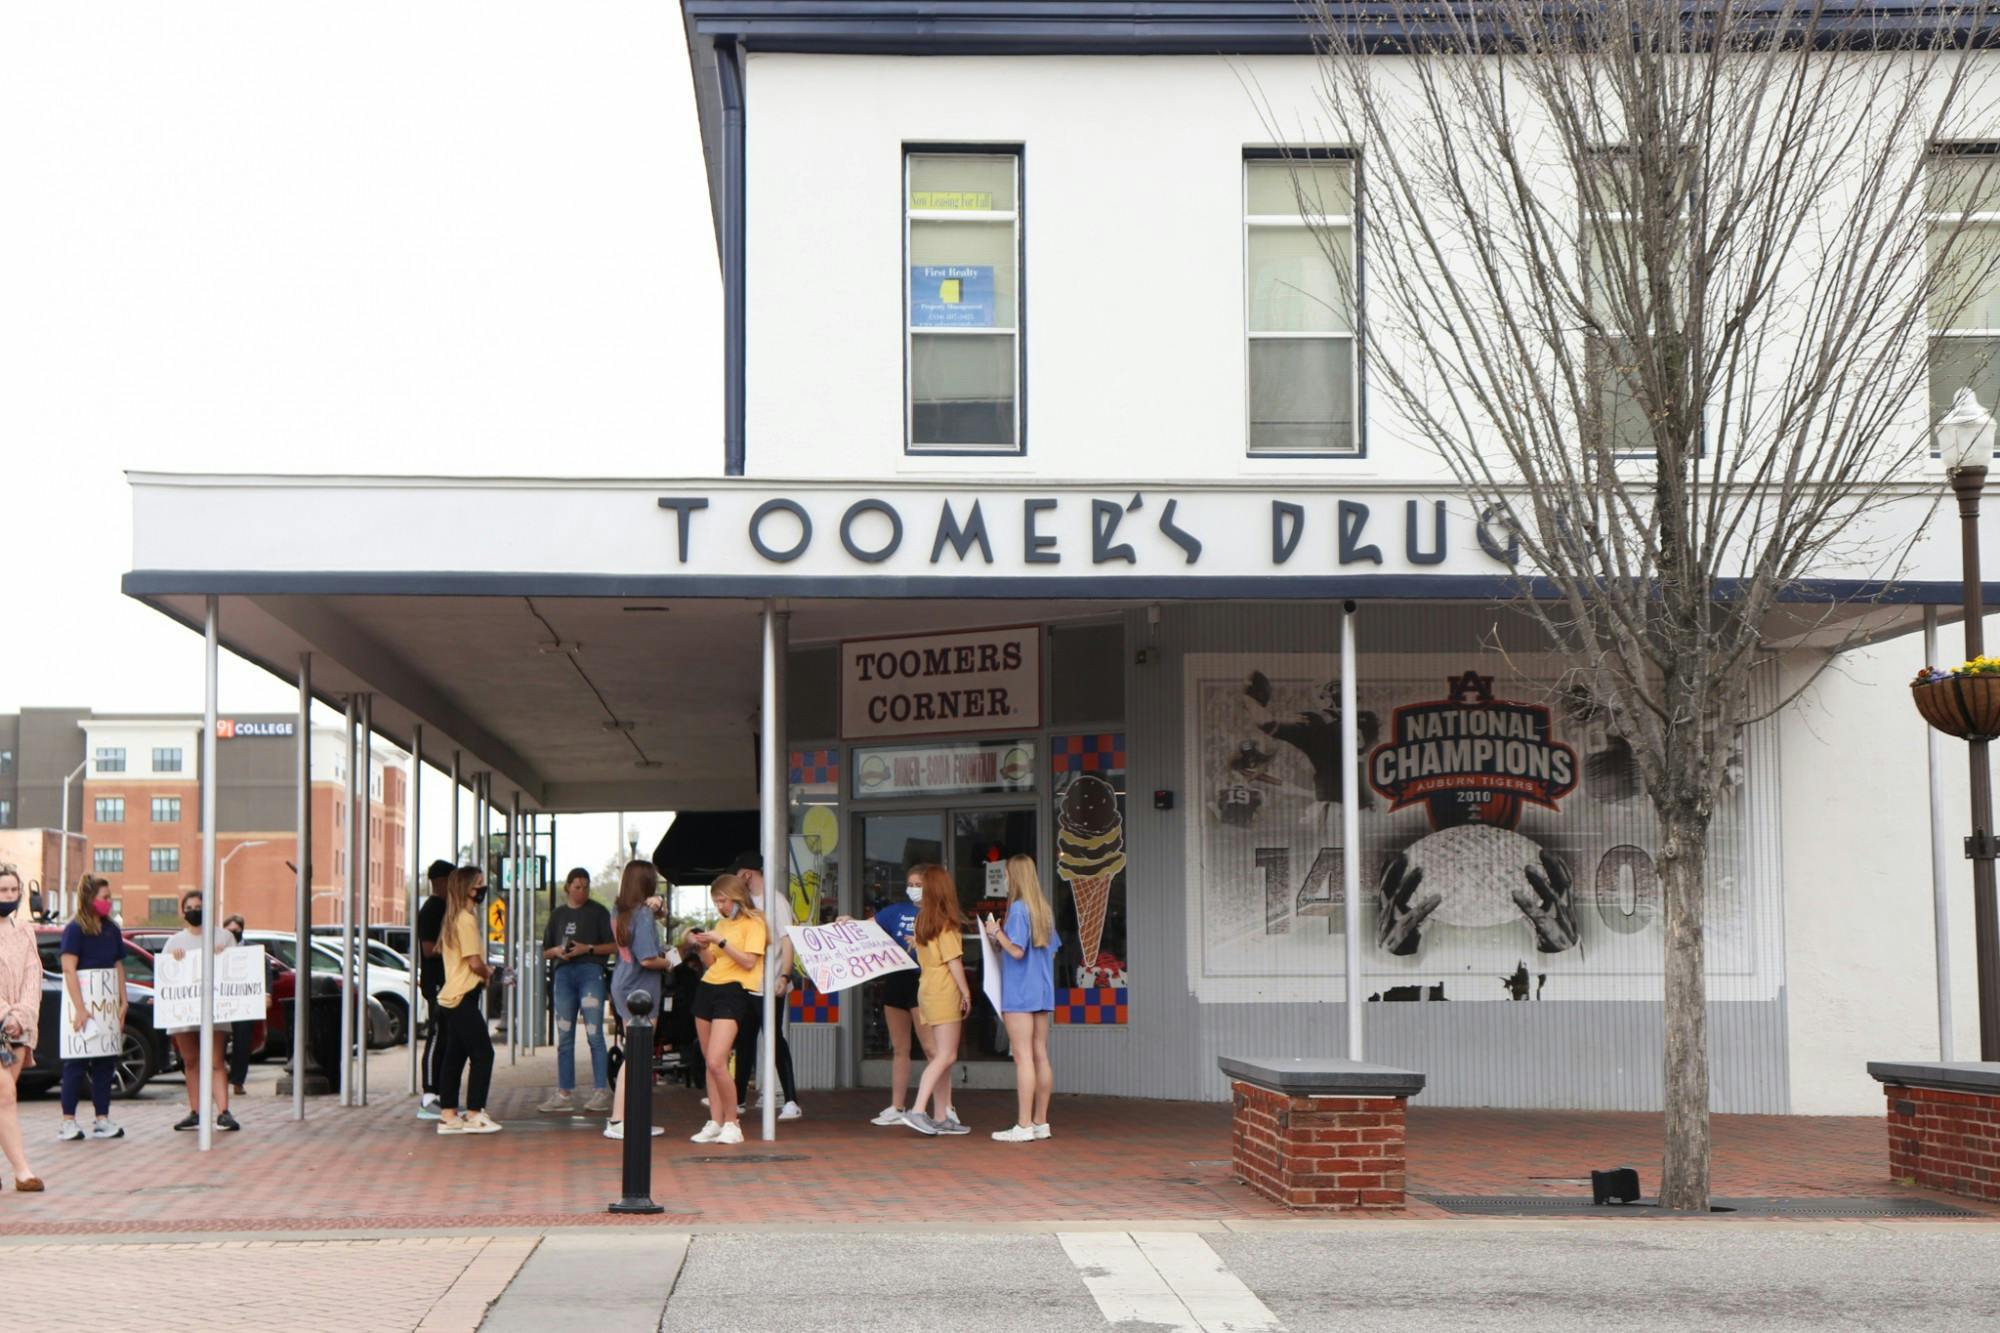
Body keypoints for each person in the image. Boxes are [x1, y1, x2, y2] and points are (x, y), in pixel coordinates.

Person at [981, 855, 1060, 1142]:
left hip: (1019, 991)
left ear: (1014, 877)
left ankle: (1023, 1125)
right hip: (1042, 989)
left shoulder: (1017, 909)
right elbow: (1050, 950)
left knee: (1023, 1057)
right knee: (1040, 1055)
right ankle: (1041, 1122)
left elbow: (1016, 951)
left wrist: (994, 932)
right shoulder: (1044, 910)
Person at [686, 872, 766, 1146]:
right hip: (709, 987)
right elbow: (713, 963)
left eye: (723, 900)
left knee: (717, 1060)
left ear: (736, 897)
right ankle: (715, 1120)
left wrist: (721, 942)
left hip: (734, 991)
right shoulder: (722, 923)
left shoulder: (755, 922)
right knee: (710, 1061)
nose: (720, 906)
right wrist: (700, 947)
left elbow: (747, 962)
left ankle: (733, 1121)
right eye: (716, 901)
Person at [729, 852, 801, 1121]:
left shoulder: (776, 900)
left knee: (773, 1039)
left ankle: (791, 1100)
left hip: (770, 983)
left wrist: (785, 975)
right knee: (745, 1038)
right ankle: (737, 1099)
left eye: (737, 876)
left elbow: (787, 940)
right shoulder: (745, 904)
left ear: (747, 875)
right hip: (746, 982)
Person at [162, 890, 239, 1133]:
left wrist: (224, 956)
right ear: (183, 911)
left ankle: (223, 1112)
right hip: (185, 1009)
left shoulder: (224, 937)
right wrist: (174, 961)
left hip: (216, 1008)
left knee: (216, 1060)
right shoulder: (174, 942)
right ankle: (195, 1111)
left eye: (199, 906)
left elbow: (237, 967)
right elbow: (165, 975)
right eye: (190, 907)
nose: (195, 910)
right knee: (191, 1060)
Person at [604, 861, 672, 1140]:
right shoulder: (642, 914)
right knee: (637, 1057)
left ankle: (629, 1119)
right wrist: (668, 961)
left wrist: (657, 910)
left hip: (622, 981)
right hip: (641, 987)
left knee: (636, 1054)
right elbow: (647, 958)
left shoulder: (619, 909)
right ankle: (620, 1119)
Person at [902, 863, 971, 1136]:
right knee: (946, 1055)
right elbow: (954, 962)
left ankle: (941, 1115)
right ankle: (918, 1110)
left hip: (927, 989)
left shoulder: (923, 920)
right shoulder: (946, 922)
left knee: (941, 1055)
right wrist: (966, 992)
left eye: (920, 886)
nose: (915, 891)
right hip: (943, 990)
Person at [57, 876, 127, 1143]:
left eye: (110, 898)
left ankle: (102, 1118)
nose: (109, 902)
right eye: (105, 897)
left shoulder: (111, 929)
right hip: (83, 1006)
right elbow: (68, 968)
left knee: (105, 1063)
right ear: (89, 898)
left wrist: (123, 1001)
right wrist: (80, 1008)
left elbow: (118, 965)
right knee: (76, 1064)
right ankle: (67, 1121)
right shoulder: (75, 929)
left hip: (106, 1006)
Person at [539, 867, 614, 1114]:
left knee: (595, 1034)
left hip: (590, 972)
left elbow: (613, 945)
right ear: (567, 888)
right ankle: (564, 1092)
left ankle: (601, 1090)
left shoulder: (599, 912)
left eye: (586, 886)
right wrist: (558, 952)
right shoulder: (558, 914)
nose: (582, 891)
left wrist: (587, 948)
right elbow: (545, 949)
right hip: (563, 973)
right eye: (577, 886)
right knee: (565, 1035)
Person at [434, 866, 501, 1135]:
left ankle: (448, 1115)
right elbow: (474, 962)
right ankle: (474, 1113)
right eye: (479, 885)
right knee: (484, 1052)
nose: (482, 889)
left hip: (450, 996)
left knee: (455, 1056)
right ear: (466, 888)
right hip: (463, 996)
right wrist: (488, 972)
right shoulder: (466, 919)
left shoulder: (453, 919)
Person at [868, 867, 934, 1126]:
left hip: (923, 980)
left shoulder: (937, 914)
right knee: (900, 1048)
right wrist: (846, 922)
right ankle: (897, 1106)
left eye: (919, 883)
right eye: (910, 883)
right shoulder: (895, 911)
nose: (913, 888)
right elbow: (866, 928)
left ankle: (943, 1108)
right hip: (896, 978)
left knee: (931, 1049)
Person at [0, 867, 44, 1190]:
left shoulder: (25, 931)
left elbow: (33, 977)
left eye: (14, 890)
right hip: (3, 1023)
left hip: (18, 1029)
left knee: (4, 1096)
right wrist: (4, 1015)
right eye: (3, 890)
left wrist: (21, 1016)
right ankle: (22, 1171)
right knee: (5, 1095)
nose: (9, 896)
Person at [414, 859, 452, 1120]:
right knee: (437, 1034)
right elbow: (428, 949)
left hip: (448, 982)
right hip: (436, 982)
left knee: (448, 1037)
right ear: (441, 882)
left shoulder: (446, 908)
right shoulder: (432, 909)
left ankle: (441, 1093)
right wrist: (454, 946)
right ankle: (429, 1095)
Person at [222, 913, 254, 1097]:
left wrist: (266, 994)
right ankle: (220, 1077)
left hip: (244, 1003)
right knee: (219, 1042)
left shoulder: (252, 950)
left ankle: (238, 1081)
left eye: (237, 930)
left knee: (242, 1044)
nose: (233, 933)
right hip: (223, 1004)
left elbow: (264, 971)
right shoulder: (217, 949)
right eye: (229, 930)